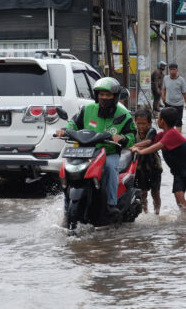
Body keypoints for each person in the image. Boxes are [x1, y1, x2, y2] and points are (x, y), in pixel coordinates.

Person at [55, 77, 136, 215]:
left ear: (115, 97)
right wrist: (64, 129)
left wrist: (122, 138)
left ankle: (111, 204)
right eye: (101, 95)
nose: (104, 98)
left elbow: (132, 136)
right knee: (67, 169)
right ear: (96, 95)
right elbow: (73, 123)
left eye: (108, 95)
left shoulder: (124, 115)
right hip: (85, 151)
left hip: (109, 152)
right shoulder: (87, 110)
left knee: (111, 168)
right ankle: (66, 202)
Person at [131, 106, 186, 214]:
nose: (157, 121)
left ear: (162, 121)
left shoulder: (172, 134)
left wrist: (140, 151)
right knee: (178, 196)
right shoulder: (162, 134)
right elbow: (150, 143)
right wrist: (132, 147)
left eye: (158, 118)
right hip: (178, 172)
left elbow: (157, 146)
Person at [131, 109, 162, 215]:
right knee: (142, 193)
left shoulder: (152, 131)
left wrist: (134, 146)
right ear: (135, 122)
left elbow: (149, 142)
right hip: (139, 167)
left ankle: (157, 213)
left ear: (149, 123)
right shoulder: (133, 133)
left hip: (154, 166)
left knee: (155, 192)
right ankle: (146, 213)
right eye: (138, 123)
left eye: (144, 123)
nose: (141, 126)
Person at [162, 63, 186, 132]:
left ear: (177, 70)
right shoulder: (165, 78)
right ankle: (168, 136)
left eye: (174, 69)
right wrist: (163, 96)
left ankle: (178, 137)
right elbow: (164, 88)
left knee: (178, 122)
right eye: (171, 69)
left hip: (178, 104)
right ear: (169, 70)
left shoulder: (181, 80)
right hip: (168, 103)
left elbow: (185, 93)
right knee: (167, 121)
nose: (172, 71)